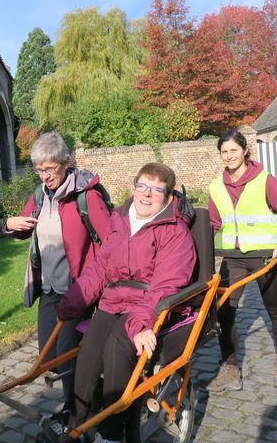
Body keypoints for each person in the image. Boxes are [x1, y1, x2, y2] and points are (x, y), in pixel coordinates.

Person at [57, 163, 197, 443]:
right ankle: (77, 423)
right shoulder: (119, 220)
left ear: (168, 198)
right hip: (114, 301)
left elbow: (165, 286)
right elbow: (99, 268)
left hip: (149, 303)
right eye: (143, 186)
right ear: (133, 188)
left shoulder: (175, 231)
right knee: (88, 350)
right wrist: (73, 300)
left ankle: (111, 433)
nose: (147, 194)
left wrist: (141, 322)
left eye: (157, 190)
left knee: (117, 348)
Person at [3, 131, 111, 415]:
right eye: (39, 169)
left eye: (49, 169)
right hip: (49, 290)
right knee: (48, 356)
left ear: (65, 163)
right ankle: (87, 395)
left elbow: (111, 243)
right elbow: (23, 228)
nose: (44, 176)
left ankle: (77, 410)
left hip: (78, 290)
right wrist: (8, 223)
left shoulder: (85, 197)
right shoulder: (40, 196)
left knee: (66, 357)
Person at [206, 129, 277, 392]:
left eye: (233, 150)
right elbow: (214, 224)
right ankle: (231, 368)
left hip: (266, 257)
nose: (229, 156)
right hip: (233, 259)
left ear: (245, 151)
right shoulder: (216, 187)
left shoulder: (265, 180)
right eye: (224, 152)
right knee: (223, 313)